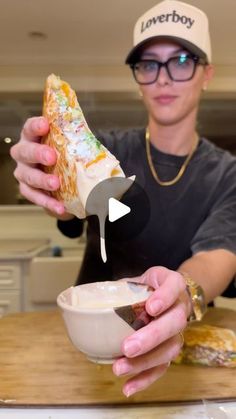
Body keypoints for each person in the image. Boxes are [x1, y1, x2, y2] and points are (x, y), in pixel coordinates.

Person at [10, 0, 236, 397]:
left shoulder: (228, 174)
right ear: (138, 78)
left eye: (181, 60)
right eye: (149, 64)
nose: (163, 78)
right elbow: (65, 199)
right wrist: (42, 175)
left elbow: (216, 257)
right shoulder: (106, 154)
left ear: (206, 75)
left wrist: (181, 292)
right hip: (85, 351)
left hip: (181, 349)